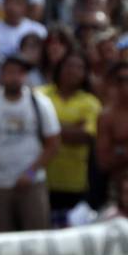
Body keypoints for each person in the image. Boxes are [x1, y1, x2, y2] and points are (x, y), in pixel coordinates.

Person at [0, 55, 61, 231]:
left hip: (32, 184)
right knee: (2, 238)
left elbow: (53, 144)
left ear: (25, 76)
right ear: (2, 75)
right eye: (10, 72)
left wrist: (31, 173)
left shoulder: (40, 103)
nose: (14, 77)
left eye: (19, 72)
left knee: (36, 237)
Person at [41, 51, 101, 213]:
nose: (73, 70)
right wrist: (72, 126)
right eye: (69, 65)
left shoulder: (91, 102)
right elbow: (33, 129)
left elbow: (85, 136)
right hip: (39, 179)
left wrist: (48, 128)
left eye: (79, 67)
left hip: (75, 183)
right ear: (59, 68)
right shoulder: (40, 95)